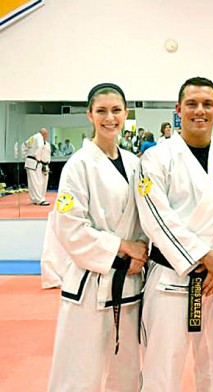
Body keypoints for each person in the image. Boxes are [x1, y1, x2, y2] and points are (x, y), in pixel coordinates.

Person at [135, 76, 213, 391]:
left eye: (207, 104)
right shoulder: (156, 158)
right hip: (171, 278)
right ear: (178, 110)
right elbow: (156, 217)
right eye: (191, 104)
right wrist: (203, 256)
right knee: (162, 366)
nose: (199, 111)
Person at [47, 83, 148, 391]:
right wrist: (121, 246)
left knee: (128, 368)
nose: (109, 118)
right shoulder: (78, 165)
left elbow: (146, 217)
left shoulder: (135, 163)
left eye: (116, 110)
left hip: (129, 279)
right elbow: (69, 227)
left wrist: (142, 248)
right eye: (101, 111)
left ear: (126, 114)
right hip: (91, 283)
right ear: (89, 115)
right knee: (79, 369)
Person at [22, 127, 51, 206]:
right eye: (46, 134)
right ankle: (39, 199)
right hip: (34, 162)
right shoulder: (38, 137)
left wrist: (45, 164)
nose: (47, 136)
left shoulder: (45, 143)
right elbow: (38, 147)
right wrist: (27, 156)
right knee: (35, 182)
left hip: (41, 164)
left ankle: (36, 198)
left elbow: (24, 145)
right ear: (43, 133)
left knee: (40, 182)